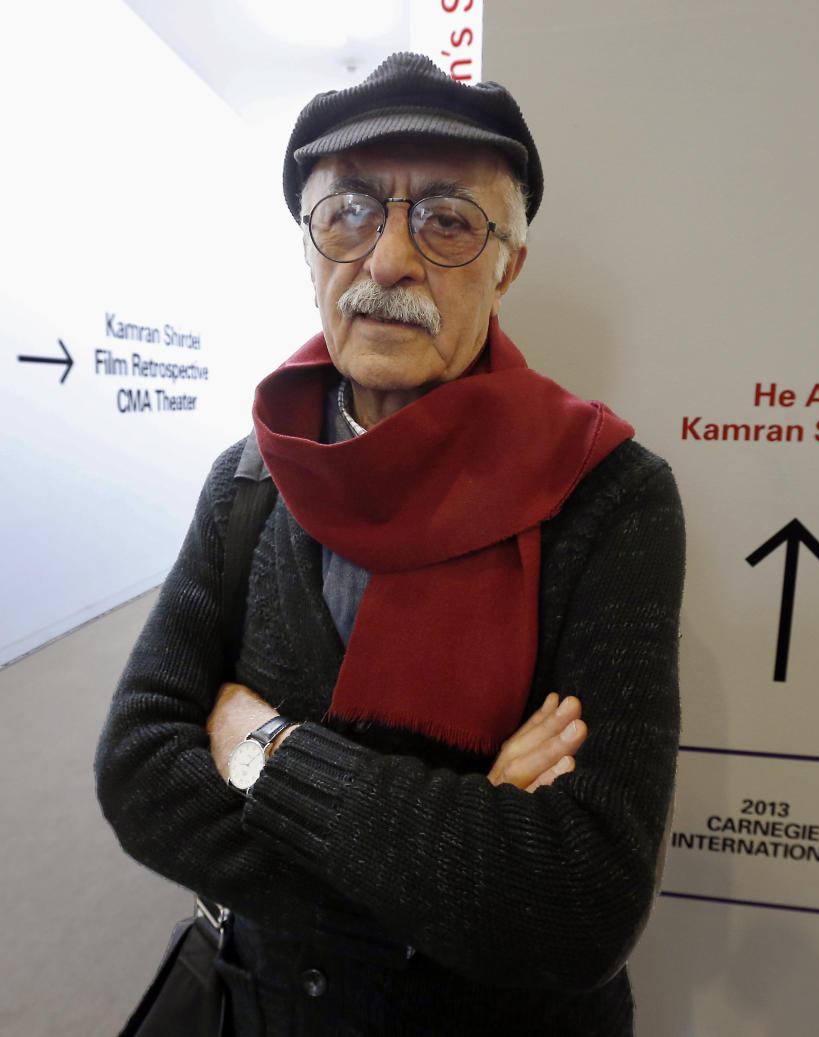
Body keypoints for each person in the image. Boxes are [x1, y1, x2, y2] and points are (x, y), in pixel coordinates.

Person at [96, 52, 684, 1037]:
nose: (389, 261)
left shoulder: (607, 495)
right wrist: (452, 843)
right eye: (351, 213)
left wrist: (265, 751)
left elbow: (582, 900)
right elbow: (139, 773)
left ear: (509, 263)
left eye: (448, 219)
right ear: (309, 246)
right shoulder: (247, 479)